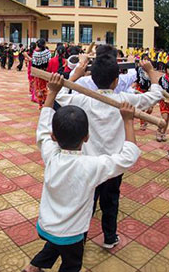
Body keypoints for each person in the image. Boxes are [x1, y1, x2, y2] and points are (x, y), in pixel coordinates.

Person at [23, 74, 140, 272]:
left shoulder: (50, 154)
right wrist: (127, 121)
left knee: (56, 243)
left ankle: (33, 267)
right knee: (71, 264)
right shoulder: (92, 166)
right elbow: (128, 156)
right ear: (87, 137)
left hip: (46, 226)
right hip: (72, 234)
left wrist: (52, 93)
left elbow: (43, 127)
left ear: (54, 136)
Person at [55, 54, 162, 249]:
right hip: (113, 165)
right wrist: (151, 73)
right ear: (116, 80)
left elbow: (60, 95)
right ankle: (109, 237)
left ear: (93, 79)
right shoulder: (125, 100)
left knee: (86, 203)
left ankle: (81, 239)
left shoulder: (84, 99)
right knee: (110, 201)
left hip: (89, 164)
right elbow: (154, 96)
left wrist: (75, 75)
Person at [157, 61, 169, 142]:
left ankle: (163, 133)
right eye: (168, 69)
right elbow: (158, 89)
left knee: (167, 118)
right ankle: (159, 131)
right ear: (166, 69)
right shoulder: (162, 79)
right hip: (163, 100)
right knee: (164, 117)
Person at [31, 39, 51, 107]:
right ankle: (45, 101)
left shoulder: (35, 53)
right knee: (45, 87)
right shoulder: (47, 52)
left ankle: (40, 104)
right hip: (45, 72)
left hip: (37, 73)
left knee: (38, 87)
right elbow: (49, 62)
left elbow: (33, 64)